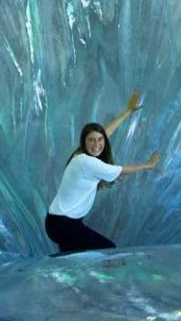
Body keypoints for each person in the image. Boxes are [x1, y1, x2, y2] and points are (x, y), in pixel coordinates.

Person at [45, 90, 161, 254]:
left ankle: (66, 278)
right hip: (63, 224)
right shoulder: (87, 162)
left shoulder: (80, 154)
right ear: (84, 142)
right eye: (91, 140)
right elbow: (121, 170)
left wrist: (128, 111)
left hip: (60, 222)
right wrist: (146, 165)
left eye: (99, 140)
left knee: (72, 259)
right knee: (108, 250)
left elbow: (106, 133)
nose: (97, 145)